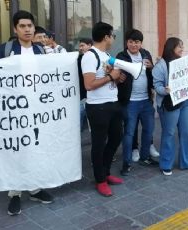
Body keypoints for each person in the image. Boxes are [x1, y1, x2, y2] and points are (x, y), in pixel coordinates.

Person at [0, 10, 53, 216]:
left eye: (30, 26)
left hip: (36, 108)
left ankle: (34, 188)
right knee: (16, 149)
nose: (27, 29)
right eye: (22, 26)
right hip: (14, 109)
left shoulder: (40, 50)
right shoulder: (6, 49)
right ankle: (15, 193)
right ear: (15, 29)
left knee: (34, 147)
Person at [81, 22, 125, 196]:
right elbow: (89, 85)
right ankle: (100, 179)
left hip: (112, 103)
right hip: (98, 107)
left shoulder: (106, 55)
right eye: (112, 35)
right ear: (106, 36)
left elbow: (108, 78)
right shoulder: (90, 56)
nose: (113, 38)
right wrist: (110, 77)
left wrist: (117, 78)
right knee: (98, 144)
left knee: (116, 138)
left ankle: (105, 172)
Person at [153, 37, 188, 176]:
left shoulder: (184, 62)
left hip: (185, 102)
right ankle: (166, 164)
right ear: (171, 47)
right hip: (170, 104)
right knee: (169, 133)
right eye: (180, 46)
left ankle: (186, 162)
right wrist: (164, 90)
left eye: (182, 46)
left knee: (186, 132)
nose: (182, 49)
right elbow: (157, 85)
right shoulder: (161, 65)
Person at [116, 29, 157, 176]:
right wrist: (118, 77)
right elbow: (116, 77)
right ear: (127, 42)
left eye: (137, 42)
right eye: (131, 42)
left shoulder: (146, 54)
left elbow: (152, 75)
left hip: (146, 100)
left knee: (149, 130)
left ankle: (145, 157)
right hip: (130, 102)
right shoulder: (121, 56)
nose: (134, 45)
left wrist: (152, 67)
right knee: (128, 133)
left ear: (141, 43)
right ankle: (126, 163)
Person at [77, 38, 93, 131]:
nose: (80, 48)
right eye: (80, 46)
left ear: (90, 45)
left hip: (92, 96)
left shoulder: (95, 58)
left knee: (93, 125)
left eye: (82, 45)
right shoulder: (78, 59)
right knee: (77, 124)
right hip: (81, 96)